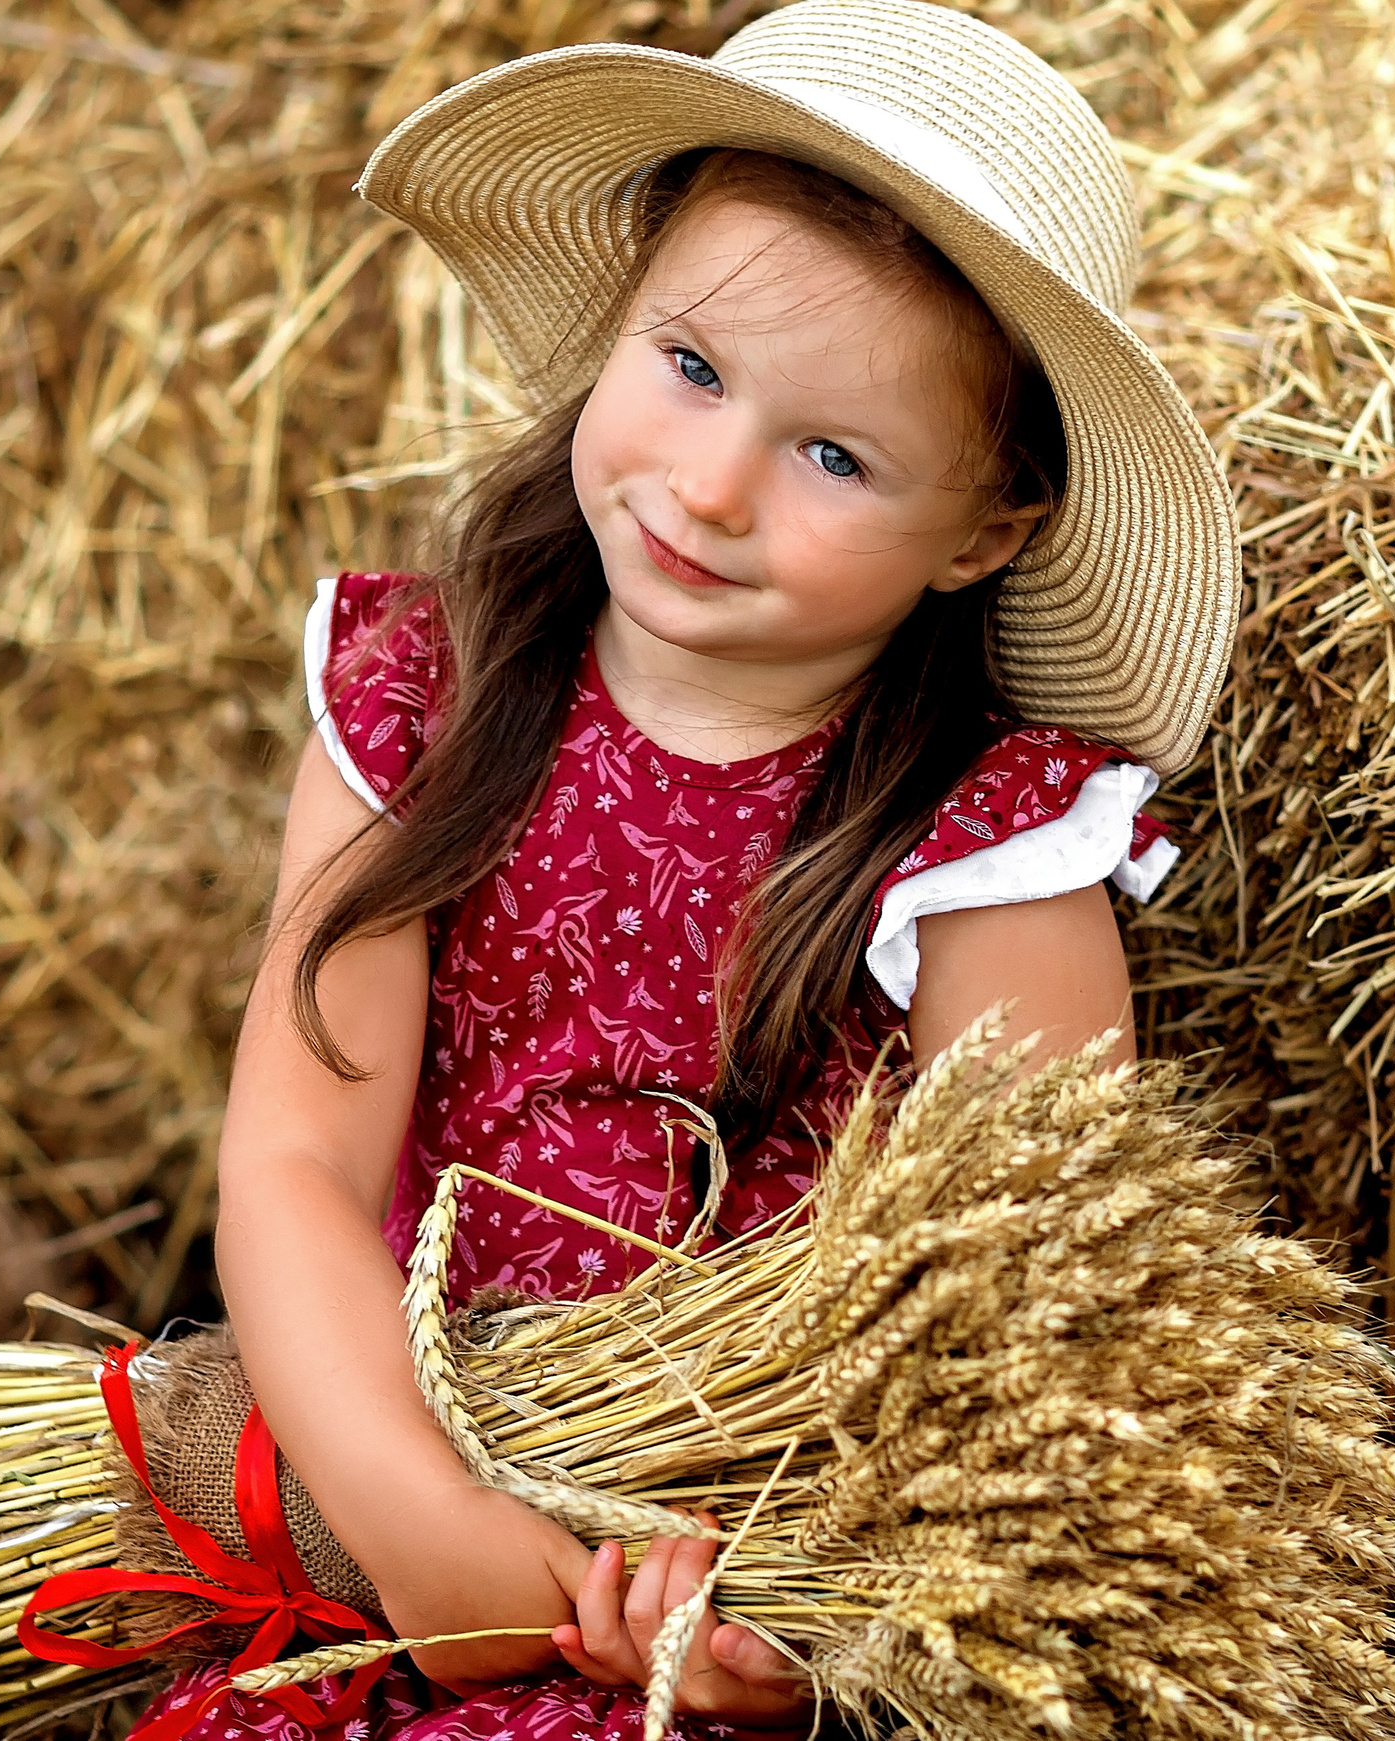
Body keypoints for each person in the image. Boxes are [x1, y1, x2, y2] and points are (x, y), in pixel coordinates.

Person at [147, 1, 1237, 1734]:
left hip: (724, 1561)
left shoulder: (986, 853)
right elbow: (291, 1154)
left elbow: (1027, 1355)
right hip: (391, 1453)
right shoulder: (422, 703)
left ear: (986, 529)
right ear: (624, 313)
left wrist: (797, 1654)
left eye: (833, 455)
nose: (712, 487)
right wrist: (428, 1532)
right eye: (693, 367)